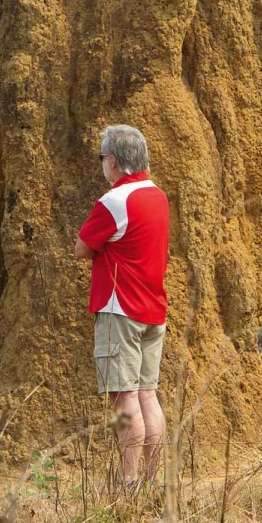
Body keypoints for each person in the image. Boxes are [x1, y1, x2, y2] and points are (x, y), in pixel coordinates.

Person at [75, 125, 170, 487]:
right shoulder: (157, 195)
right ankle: (150, 479)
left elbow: (82, 248)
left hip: (121, 309)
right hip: (153, 308)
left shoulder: (114, 201)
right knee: (148, 393)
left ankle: (128, 481)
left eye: (102, 158)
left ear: (113, 160)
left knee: (124, 396)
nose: (102, 164)